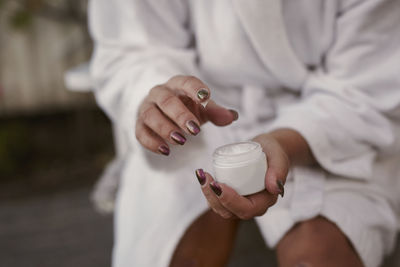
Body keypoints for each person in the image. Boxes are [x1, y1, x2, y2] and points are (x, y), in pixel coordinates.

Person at [88, 0, 400, 266]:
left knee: (318, 255)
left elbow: (367, 81)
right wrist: (162, 101)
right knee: (178, 256)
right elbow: (132, 44)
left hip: (335, 123)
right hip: (200, 114)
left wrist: (283, 142)